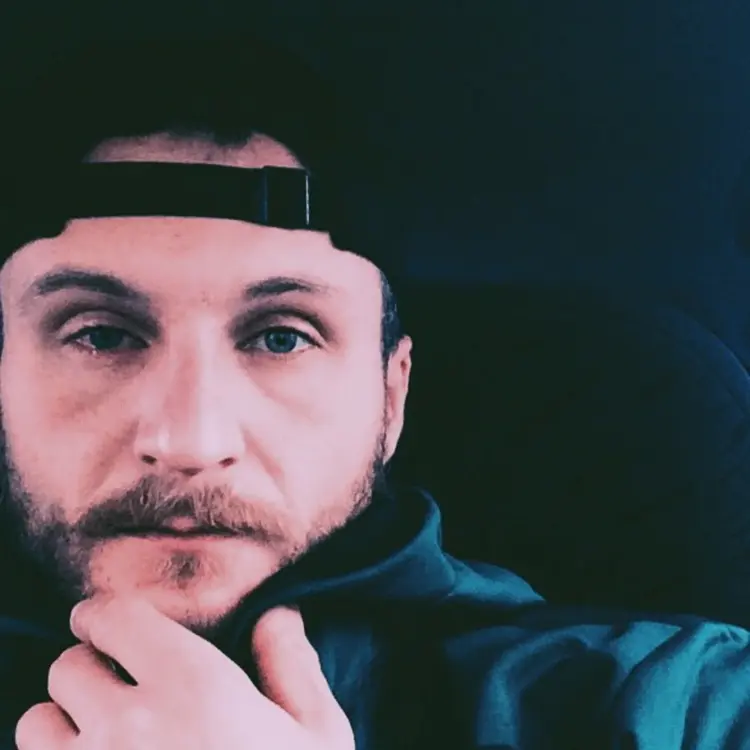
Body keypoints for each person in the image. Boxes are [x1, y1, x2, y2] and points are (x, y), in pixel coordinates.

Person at [0, 36, 749, 750]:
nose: (191, 441)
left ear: (392, 401)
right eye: (101, 335)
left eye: (281, 337)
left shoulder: (678, 709)